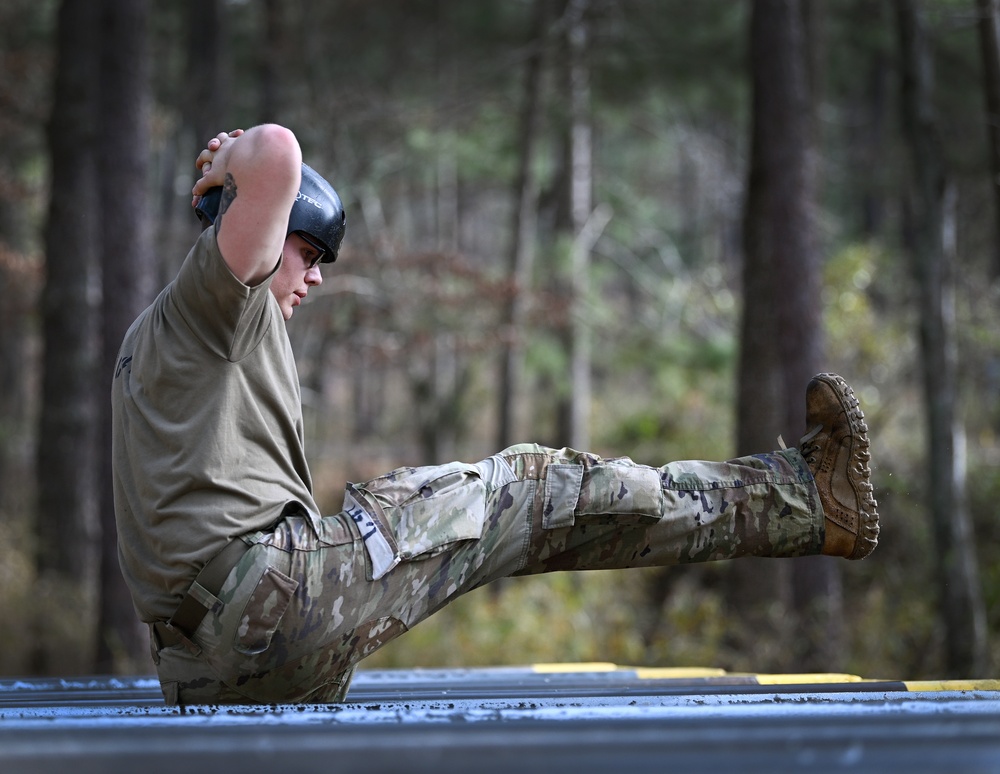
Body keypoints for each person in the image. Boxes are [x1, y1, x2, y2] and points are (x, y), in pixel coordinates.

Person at [111, 124, 879, 706]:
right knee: (532, 487)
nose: (313, 277)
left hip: (201, 670)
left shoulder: (153, 344)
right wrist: (232, 155)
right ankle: (805, 499)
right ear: (248, 234)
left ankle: (799, 503)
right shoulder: (217, 302)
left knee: (534, 521)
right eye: (305, 253)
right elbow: (276, 152)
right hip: (268, 606)